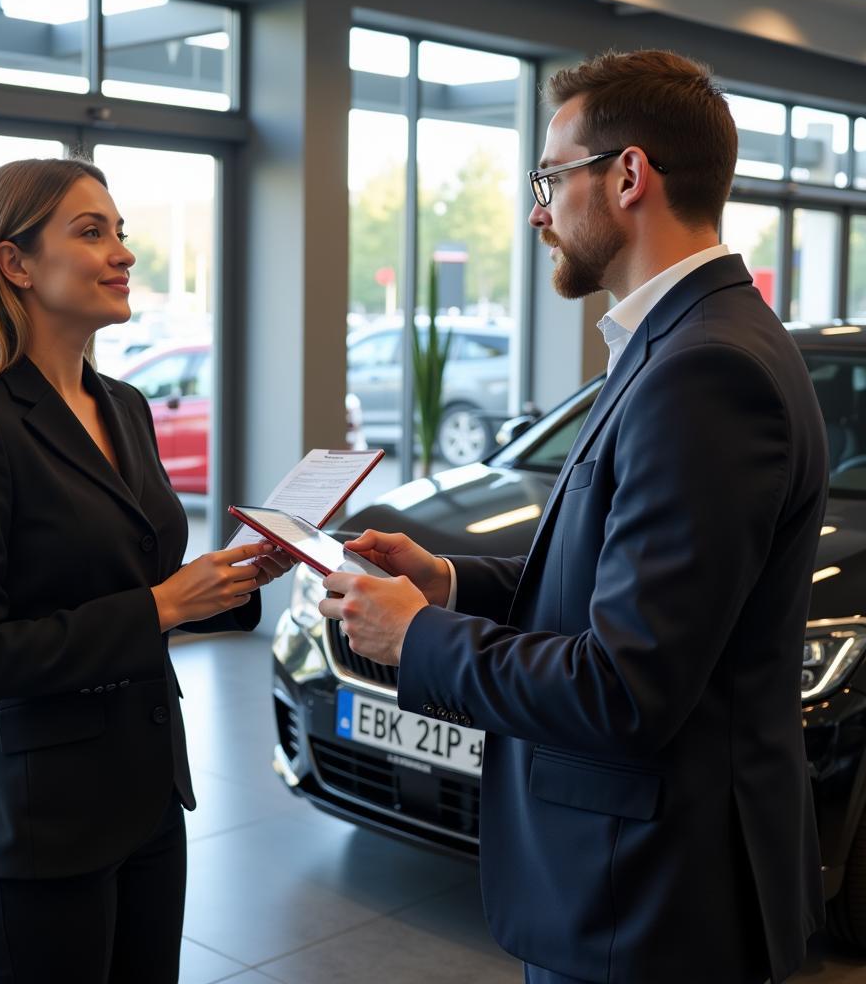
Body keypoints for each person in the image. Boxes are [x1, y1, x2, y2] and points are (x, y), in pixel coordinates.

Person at [320, 50, 827, 983]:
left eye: (552, 176)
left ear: (629, 176)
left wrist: (420, 637)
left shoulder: (703, 371)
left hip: (643, 905)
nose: (537, 208)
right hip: (632, 889)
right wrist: (450, 581)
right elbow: (610, 581)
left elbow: (625, 688)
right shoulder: (681, 341)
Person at [0, 157, 293, 984]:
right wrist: (159, 606)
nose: (123, 254)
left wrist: (241, 577)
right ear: (13, 263)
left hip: (150, 804)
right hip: (40, 831)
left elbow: (139, 581)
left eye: (121, 232)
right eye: (91, 232)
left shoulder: (125, 404)